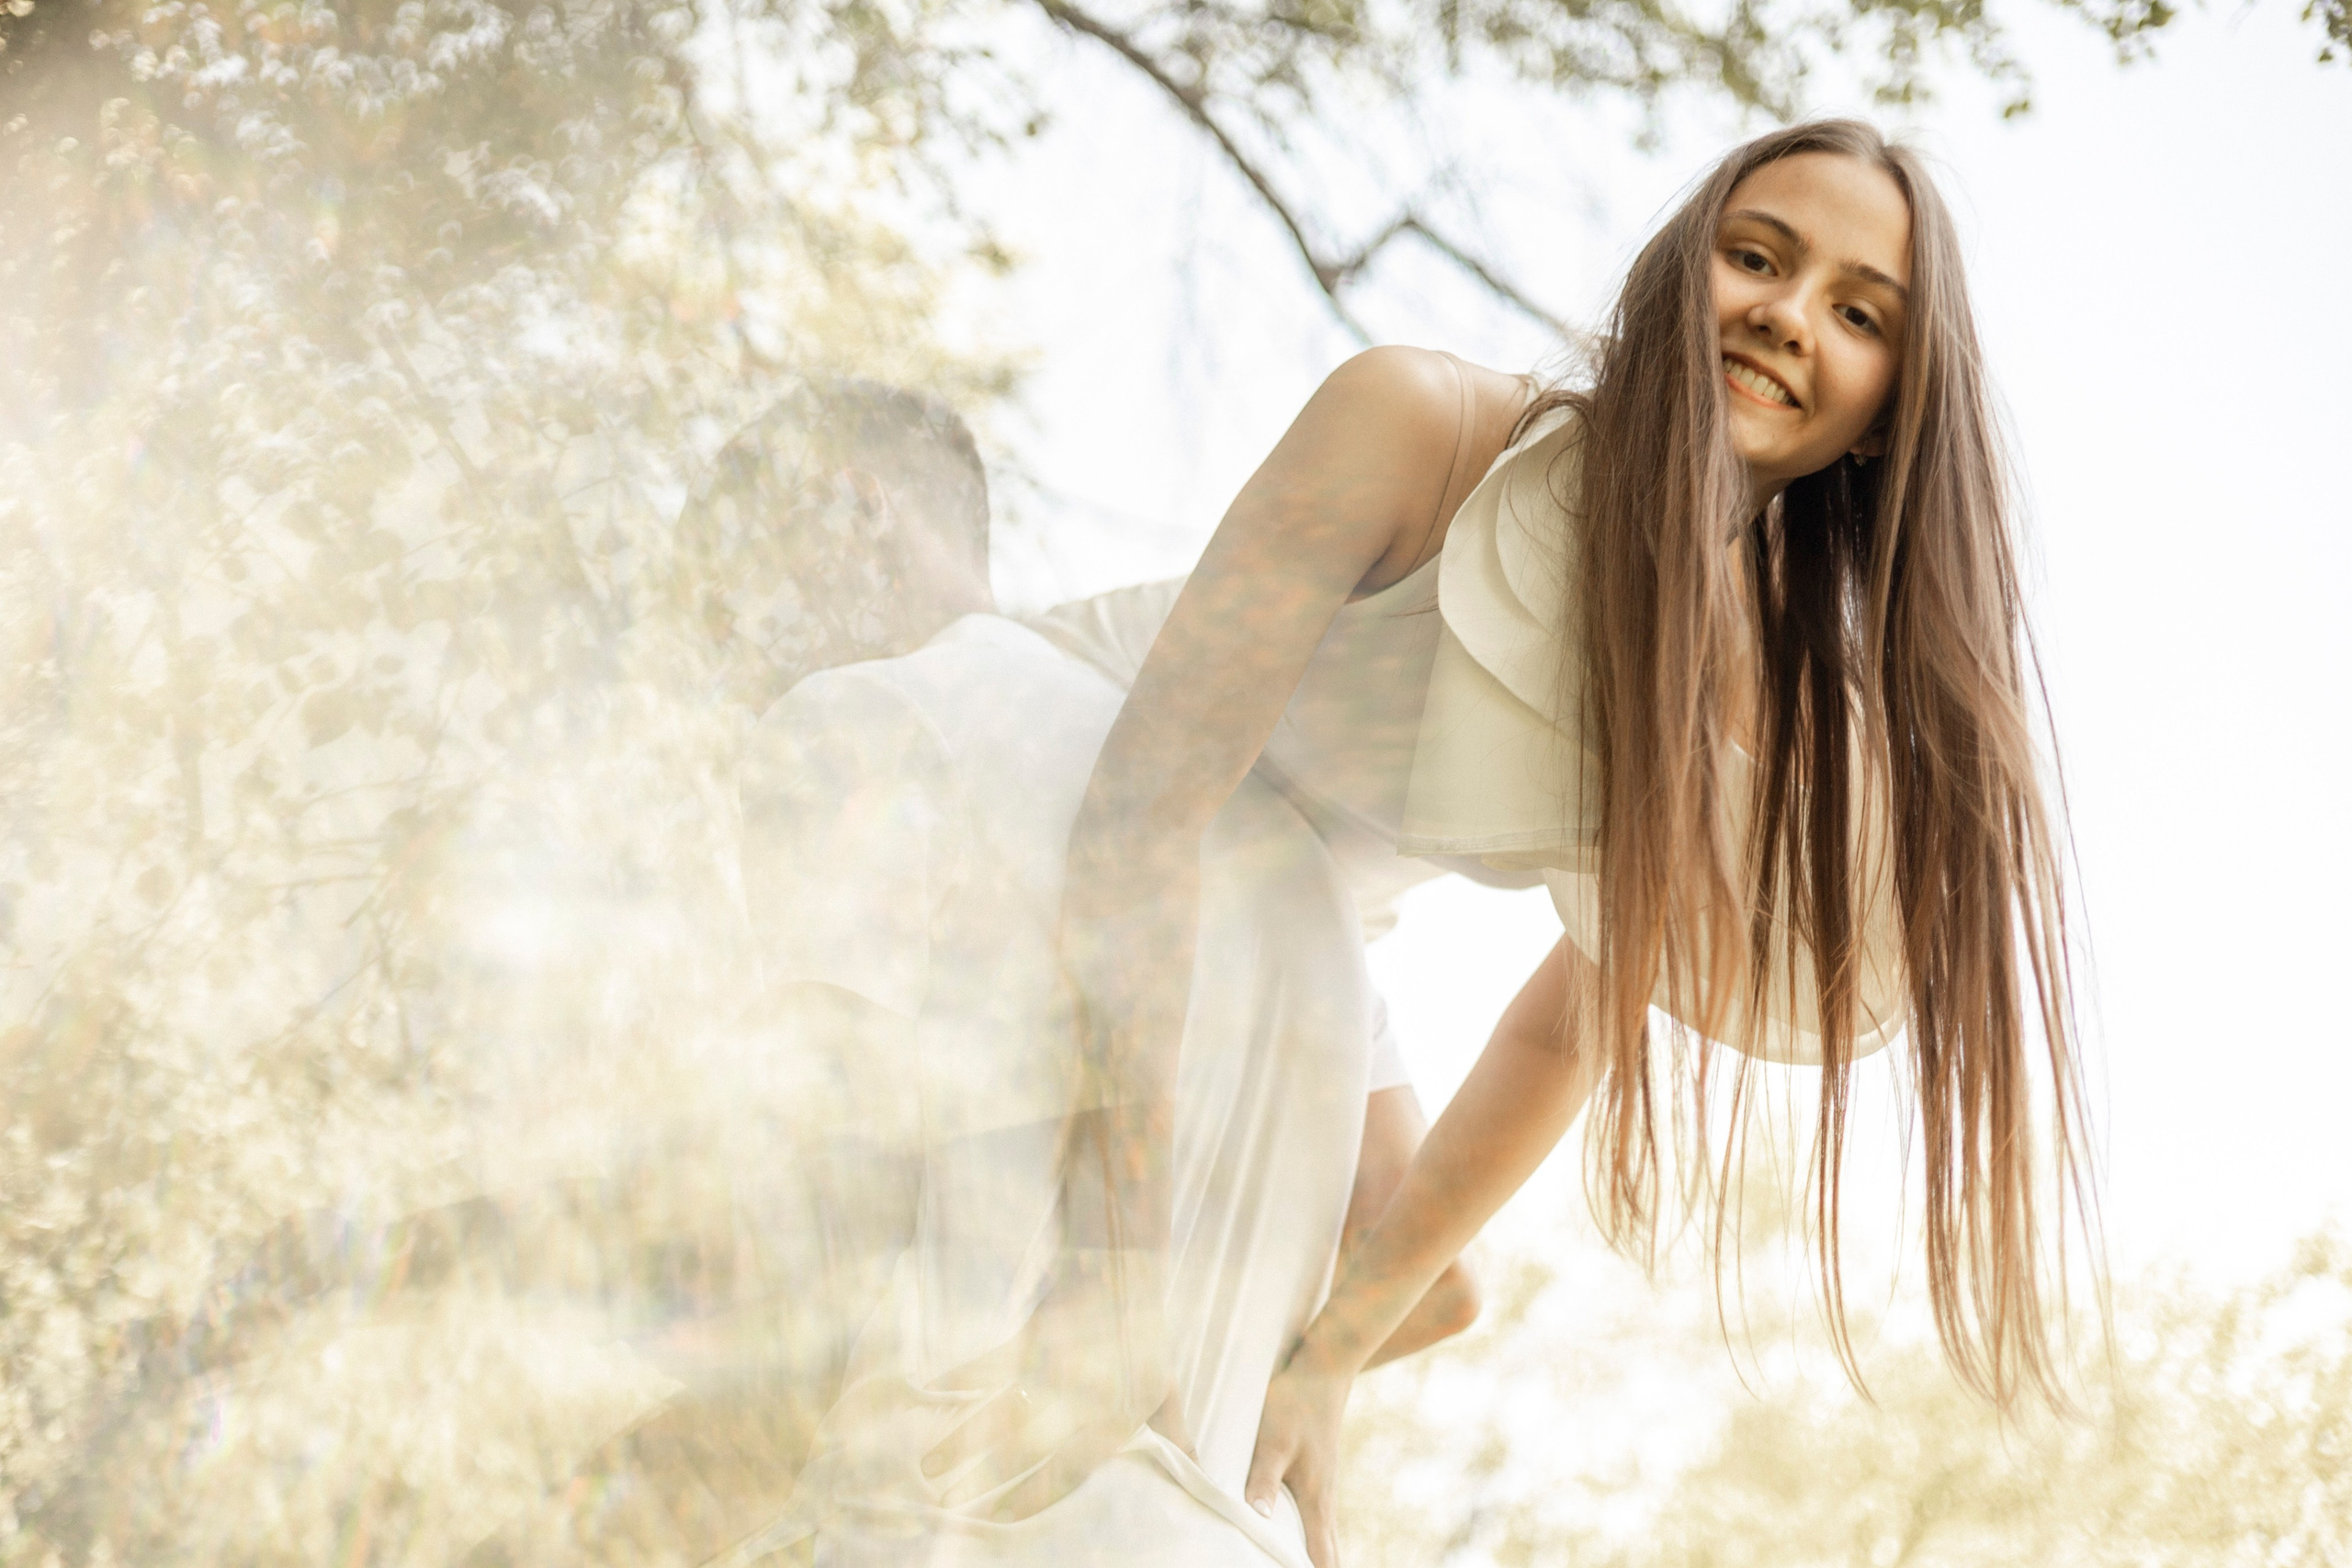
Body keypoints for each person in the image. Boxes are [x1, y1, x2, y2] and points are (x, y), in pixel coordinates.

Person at [787, 118, 2089, 1568]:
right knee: (1042, 1318)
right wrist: (1121, 1262)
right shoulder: (1417, 425)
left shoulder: (1743, 692)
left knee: (1425, 1283)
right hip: (1084, 765)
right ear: (1683, 273)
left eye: (1858, 314)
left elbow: (1570, 1027)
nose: (1788, 315)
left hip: (1297, 894)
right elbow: (1144, 819)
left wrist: (1333, 1356)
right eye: (1756, 257)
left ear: (1891, 413)